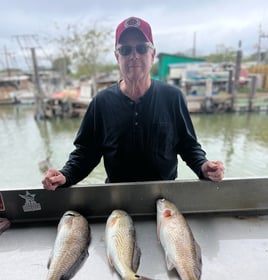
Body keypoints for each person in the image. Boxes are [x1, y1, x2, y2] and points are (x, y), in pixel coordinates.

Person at [42, 16, 224, 191]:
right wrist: (65, 175)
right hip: (117, 199)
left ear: (152, 55)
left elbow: (188, 145)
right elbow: (86, 153)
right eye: (126, 50)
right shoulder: (101, 102)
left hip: (164, 199)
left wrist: (203, 166)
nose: (134, 55)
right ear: (117, 56)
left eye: (141, 48)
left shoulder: (173, 97)